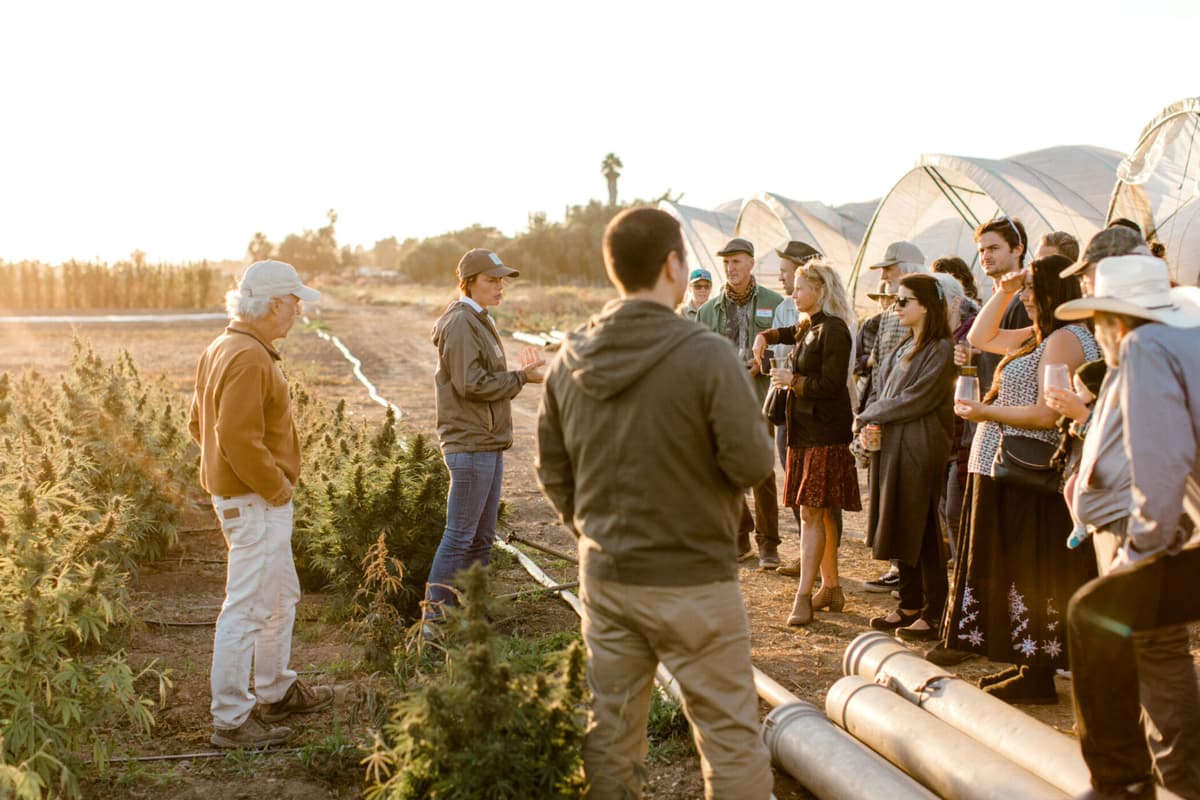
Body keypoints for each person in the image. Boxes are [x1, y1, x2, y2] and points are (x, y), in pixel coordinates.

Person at [536, 207, 774, 800]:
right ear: (672, 265)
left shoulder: (569, 358)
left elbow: (551, 470)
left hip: (609, 576)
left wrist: (592, 533)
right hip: (695, 578)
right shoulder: (708, 354)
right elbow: (751, 464)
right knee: (729, 735)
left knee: (611, 733)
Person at [1052, 255, 1200, 800]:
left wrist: (1143, 551)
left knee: (1094, 611)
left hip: (1156, 526)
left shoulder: (1143, 348)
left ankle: (1123, 784)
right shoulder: (1188, 340)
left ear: (1114, 322)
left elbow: (1161, 461)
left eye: (1097, 322)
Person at [932, 254, 1100, 700]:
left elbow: (1048, 413)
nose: (1024, 297)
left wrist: (985, 412)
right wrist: (1005, 288)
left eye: (1031, 290)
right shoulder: (1040, 336)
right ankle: (1030, 667)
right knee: (1018, 566)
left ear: (1053, 293)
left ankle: (1038, 671)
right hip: (1005, 466)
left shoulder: (1064, 338)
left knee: (1031, 567)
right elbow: (982, 336)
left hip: (1029, 471)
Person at [188, 260, 334, 748]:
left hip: (244, 499)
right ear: (273, 304)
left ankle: (275, 691)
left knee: (278, 598)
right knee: (248, 607)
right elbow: (233, 436)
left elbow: (198, 426)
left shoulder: (225, 346)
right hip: (255, 503)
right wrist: (275, 486)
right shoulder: (249, 357)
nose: (298, 310)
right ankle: (230, 719)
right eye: (294, 302)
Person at [425, 249, 545, 620]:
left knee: (480, 538)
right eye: (492, 280)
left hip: (486, 443)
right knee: (460, 536)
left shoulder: (479, 319)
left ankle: (471, 617)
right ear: (469, 282)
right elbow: (470, 383)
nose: (500, 287)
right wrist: (522, 378)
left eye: (502, 281)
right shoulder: (461, 322)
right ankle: (432, 625)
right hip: (471, 443)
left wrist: (517, 377)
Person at [753, 260, 860, 625]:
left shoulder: (835, 331)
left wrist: (792, 379)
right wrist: (764, 337)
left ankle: (803, 595)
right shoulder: (808, 327)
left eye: (800, 287)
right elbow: (786, 332)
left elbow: (832, 385)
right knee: (822, 512)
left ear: (820, 290)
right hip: (805, 433)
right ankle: (831, 587)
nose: (793, 293)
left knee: (812, 512)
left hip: (825, 434)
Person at [858, 274, 956, 641]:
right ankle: (910, 602)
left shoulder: (940, 349)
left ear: (927, 306)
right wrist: (874, 418)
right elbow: (885, 389)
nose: (895, 307)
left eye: (903, 301)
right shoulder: (905, 345)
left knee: (924, 528)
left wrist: (872, 413)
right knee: (898, 518)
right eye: (895, 300)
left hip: (920, 445)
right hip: (894, 442)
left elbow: (919, 398)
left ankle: (934, 610)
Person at [697, 237, 785, 569]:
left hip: (761, 398)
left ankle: (768, 545)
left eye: (736, 261)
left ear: (750, 263)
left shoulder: (776, 304)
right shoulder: (708, 311)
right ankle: (740, 536)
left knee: (762, 472)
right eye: (726, 263)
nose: (731, 269)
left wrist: (762, 364)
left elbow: (789, 349)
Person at [862, 241, 926, 593]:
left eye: (890, 268)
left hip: (906, 419)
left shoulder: (923, 314)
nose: (884, 276)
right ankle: (897, 568)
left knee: (909, 501)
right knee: (885, 496)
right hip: (882, 413)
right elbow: (877, 368)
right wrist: (870, 412)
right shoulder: (889, 315)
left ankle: (910, 577)